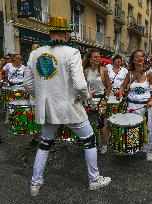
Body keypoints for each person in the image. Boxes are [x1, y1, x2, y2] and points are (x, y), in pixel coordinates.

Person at [23, 17, 111, 197]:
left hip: (47, 107)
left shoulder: (35, 53)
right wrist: (87, 100)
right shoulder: (72, 52)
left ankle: (35, 184)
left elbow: (27, 84)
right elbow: (79, 85)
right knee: (89, 139)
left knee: (44, 143)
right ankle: (94, 180)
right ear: (65, 34)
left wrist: (41, 97)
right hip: (69, 107)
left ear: (50, 32)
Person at [118, 49, 152, 161]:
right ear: (133, 59)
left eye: (141, 56)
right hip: (131, 106)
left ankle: (148, 150)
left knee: (147, 128)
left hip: (145, 107)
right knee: (132, 127)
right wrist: (120, 93)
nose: (139, 58)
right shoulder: (130, 74)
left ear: (144, 59)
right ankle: (132, 147)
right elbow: (122, 86)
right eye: (136, 56)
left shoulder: (148, 74)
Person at [83, 48, 112, 154]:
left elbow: (109, 86)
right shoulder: (85, 70)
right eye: (95, 57)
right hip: (89, 100)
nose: (97, 58)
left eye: (98, 57)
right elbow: (82, 87)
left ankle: (104, 144)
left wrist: (105, 99)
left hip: (101, 100)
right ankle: (92, 143)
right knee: (89, 122)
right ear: (90, 58)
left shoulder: (103, 70)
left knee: (101, 123)